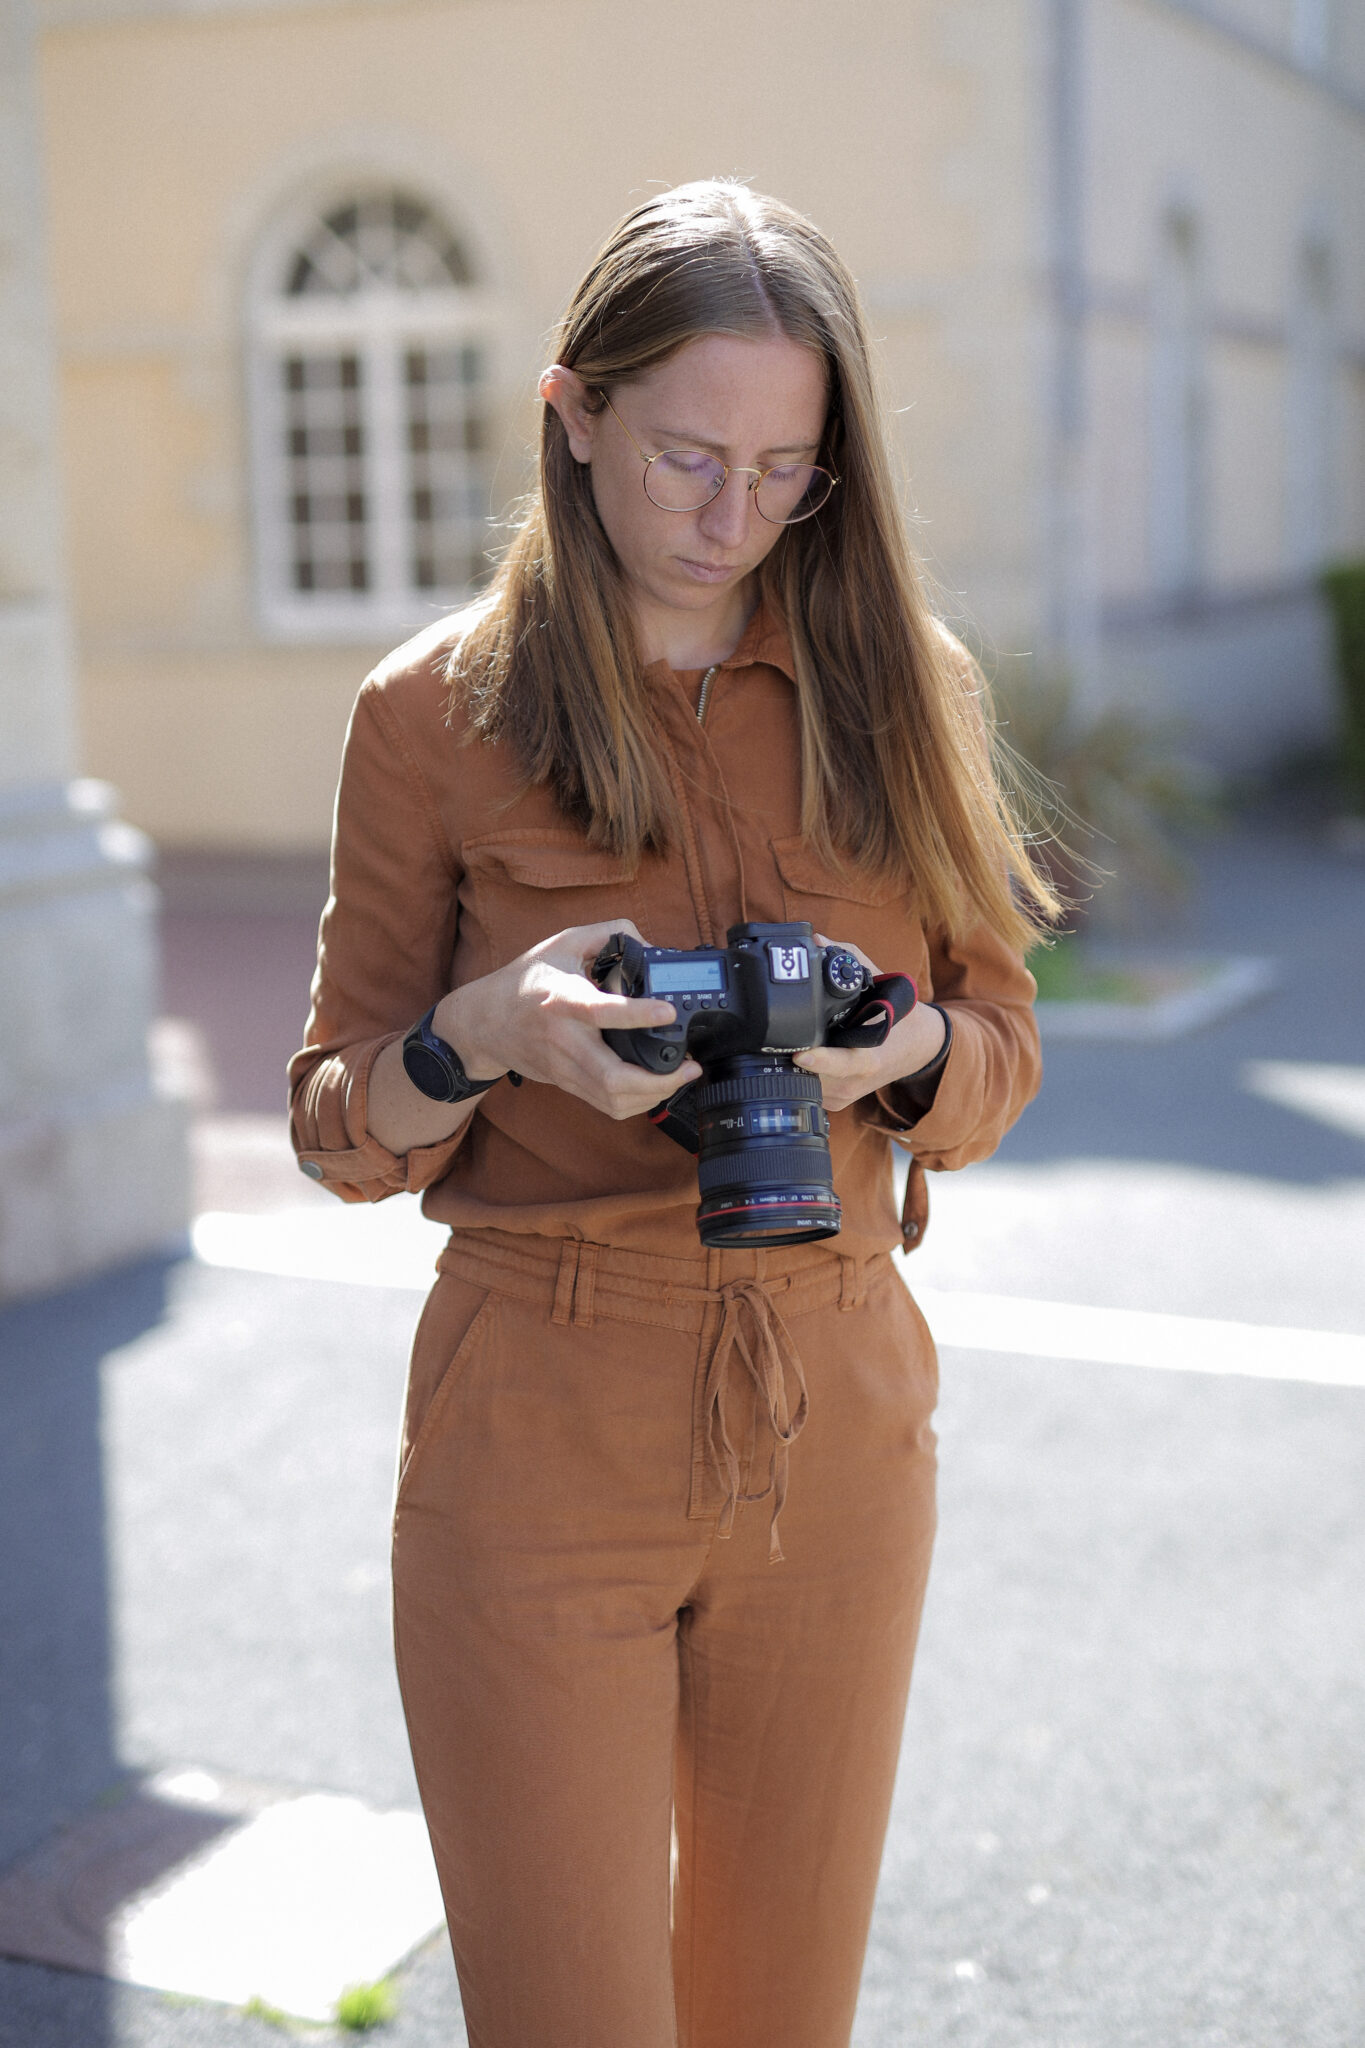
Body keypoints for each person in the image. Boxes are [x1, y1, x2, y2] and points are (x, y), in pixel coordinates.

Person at [289, 179, 1052, 2048]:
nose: (736, 518)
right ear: (574, 412)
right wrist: (483, 1034)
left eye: (788, 468)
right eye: (689, 457)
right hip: (537, 1425)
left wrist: (893, 1063)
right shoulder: (431, 715)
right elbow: (332, 1125)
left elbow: (1001, 1049)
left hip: (842, 1415)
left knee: (778, 2017)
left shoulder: (906, 689)